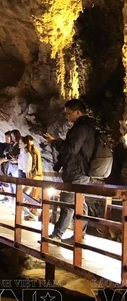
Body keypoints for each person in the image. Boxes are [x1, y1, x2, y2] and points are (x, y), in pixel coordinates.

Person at [46, 99, 100, 241]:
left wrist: (55, 142)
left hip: (77, 172)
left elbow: (71, 149)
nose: (67, 117)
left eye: (69, 114)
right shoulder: (87, 127)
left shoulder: (81, 128)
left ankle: (58, 235)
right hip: (79, 172)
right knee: (79, 203)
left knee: (68, 203)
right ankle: (79, 235)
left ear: (78, 112)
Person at [20, 135, 43, 221]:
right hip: (36, 175)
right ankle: (30, 213)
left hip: (35, 176)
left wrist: (29, 176)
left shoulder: (32, 150)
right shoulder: (33, 150)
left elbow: (33, 165)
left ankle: (32, 213)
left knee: (32, 195)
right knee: (31, 195)